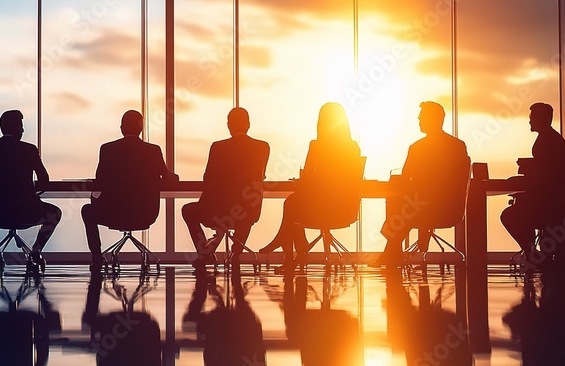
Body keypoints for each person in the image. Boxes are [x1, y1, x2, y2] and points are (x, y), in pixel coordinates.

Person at [258, 102, 361, 270]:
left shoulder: (317, 146)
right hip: (343, 210)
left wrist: (303, 182)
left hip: (319, 209)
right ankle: (291, 249)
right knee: (293, 203)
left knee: (291, 203)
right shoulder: (353, 147)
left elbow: (307, 177)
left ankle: (295, 252)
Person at [375, 101, 469, 266]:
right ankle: (391, 253)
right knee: (403, 208)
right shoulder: (458, 146)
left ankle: (391, 253)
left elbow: (404, 178)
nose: (418, 119)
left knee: (396, 205)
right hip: (451, 209)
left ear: (432, 119)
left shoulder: (417, 148)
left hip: (423, 208)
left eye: (422, 117)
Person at [81, 110, 176, 267]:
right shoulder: (153, 150)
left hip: (114, 214)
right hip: (145, 213)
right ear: (141, 129)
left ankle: (97, 257)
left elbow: (100, 180)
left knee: (87, 210)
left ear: (121, 128)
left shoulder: (108, 149)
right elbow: (166, 178)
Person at [181, 107, 270, 265]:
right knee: (245, 214)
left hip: (219, 211)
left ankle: (205, 252)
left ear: (229, 125)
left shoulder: (218, 147)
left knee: (188, 210)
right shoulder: (263, 147)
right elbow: (260, 176)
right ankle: (236, 254)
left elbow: (208, 178)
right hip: (248, 210)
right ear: (248, 125)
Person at [0, 109, 62, 266]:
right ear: (16, 127)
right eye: (21, 126)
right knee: (55, 213)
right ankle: (35, 252)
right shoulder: (29, 150)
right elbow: (44, 179)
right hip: (25, 212)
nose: (23, 130)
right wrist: (28, 191)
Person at [501, 102, 565, 266]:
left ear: (542, 119)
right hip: (556, 204)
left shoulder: (546, 141)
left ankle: (531, 252)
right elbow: (548, 170)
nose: (530, 122)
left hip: (548, 207)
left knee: (510, 215)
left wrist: (519, 179)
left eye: (532, 118)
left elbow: (544, 178)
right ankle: (532, 252)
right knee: (517, 210)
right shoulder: (551, 139)